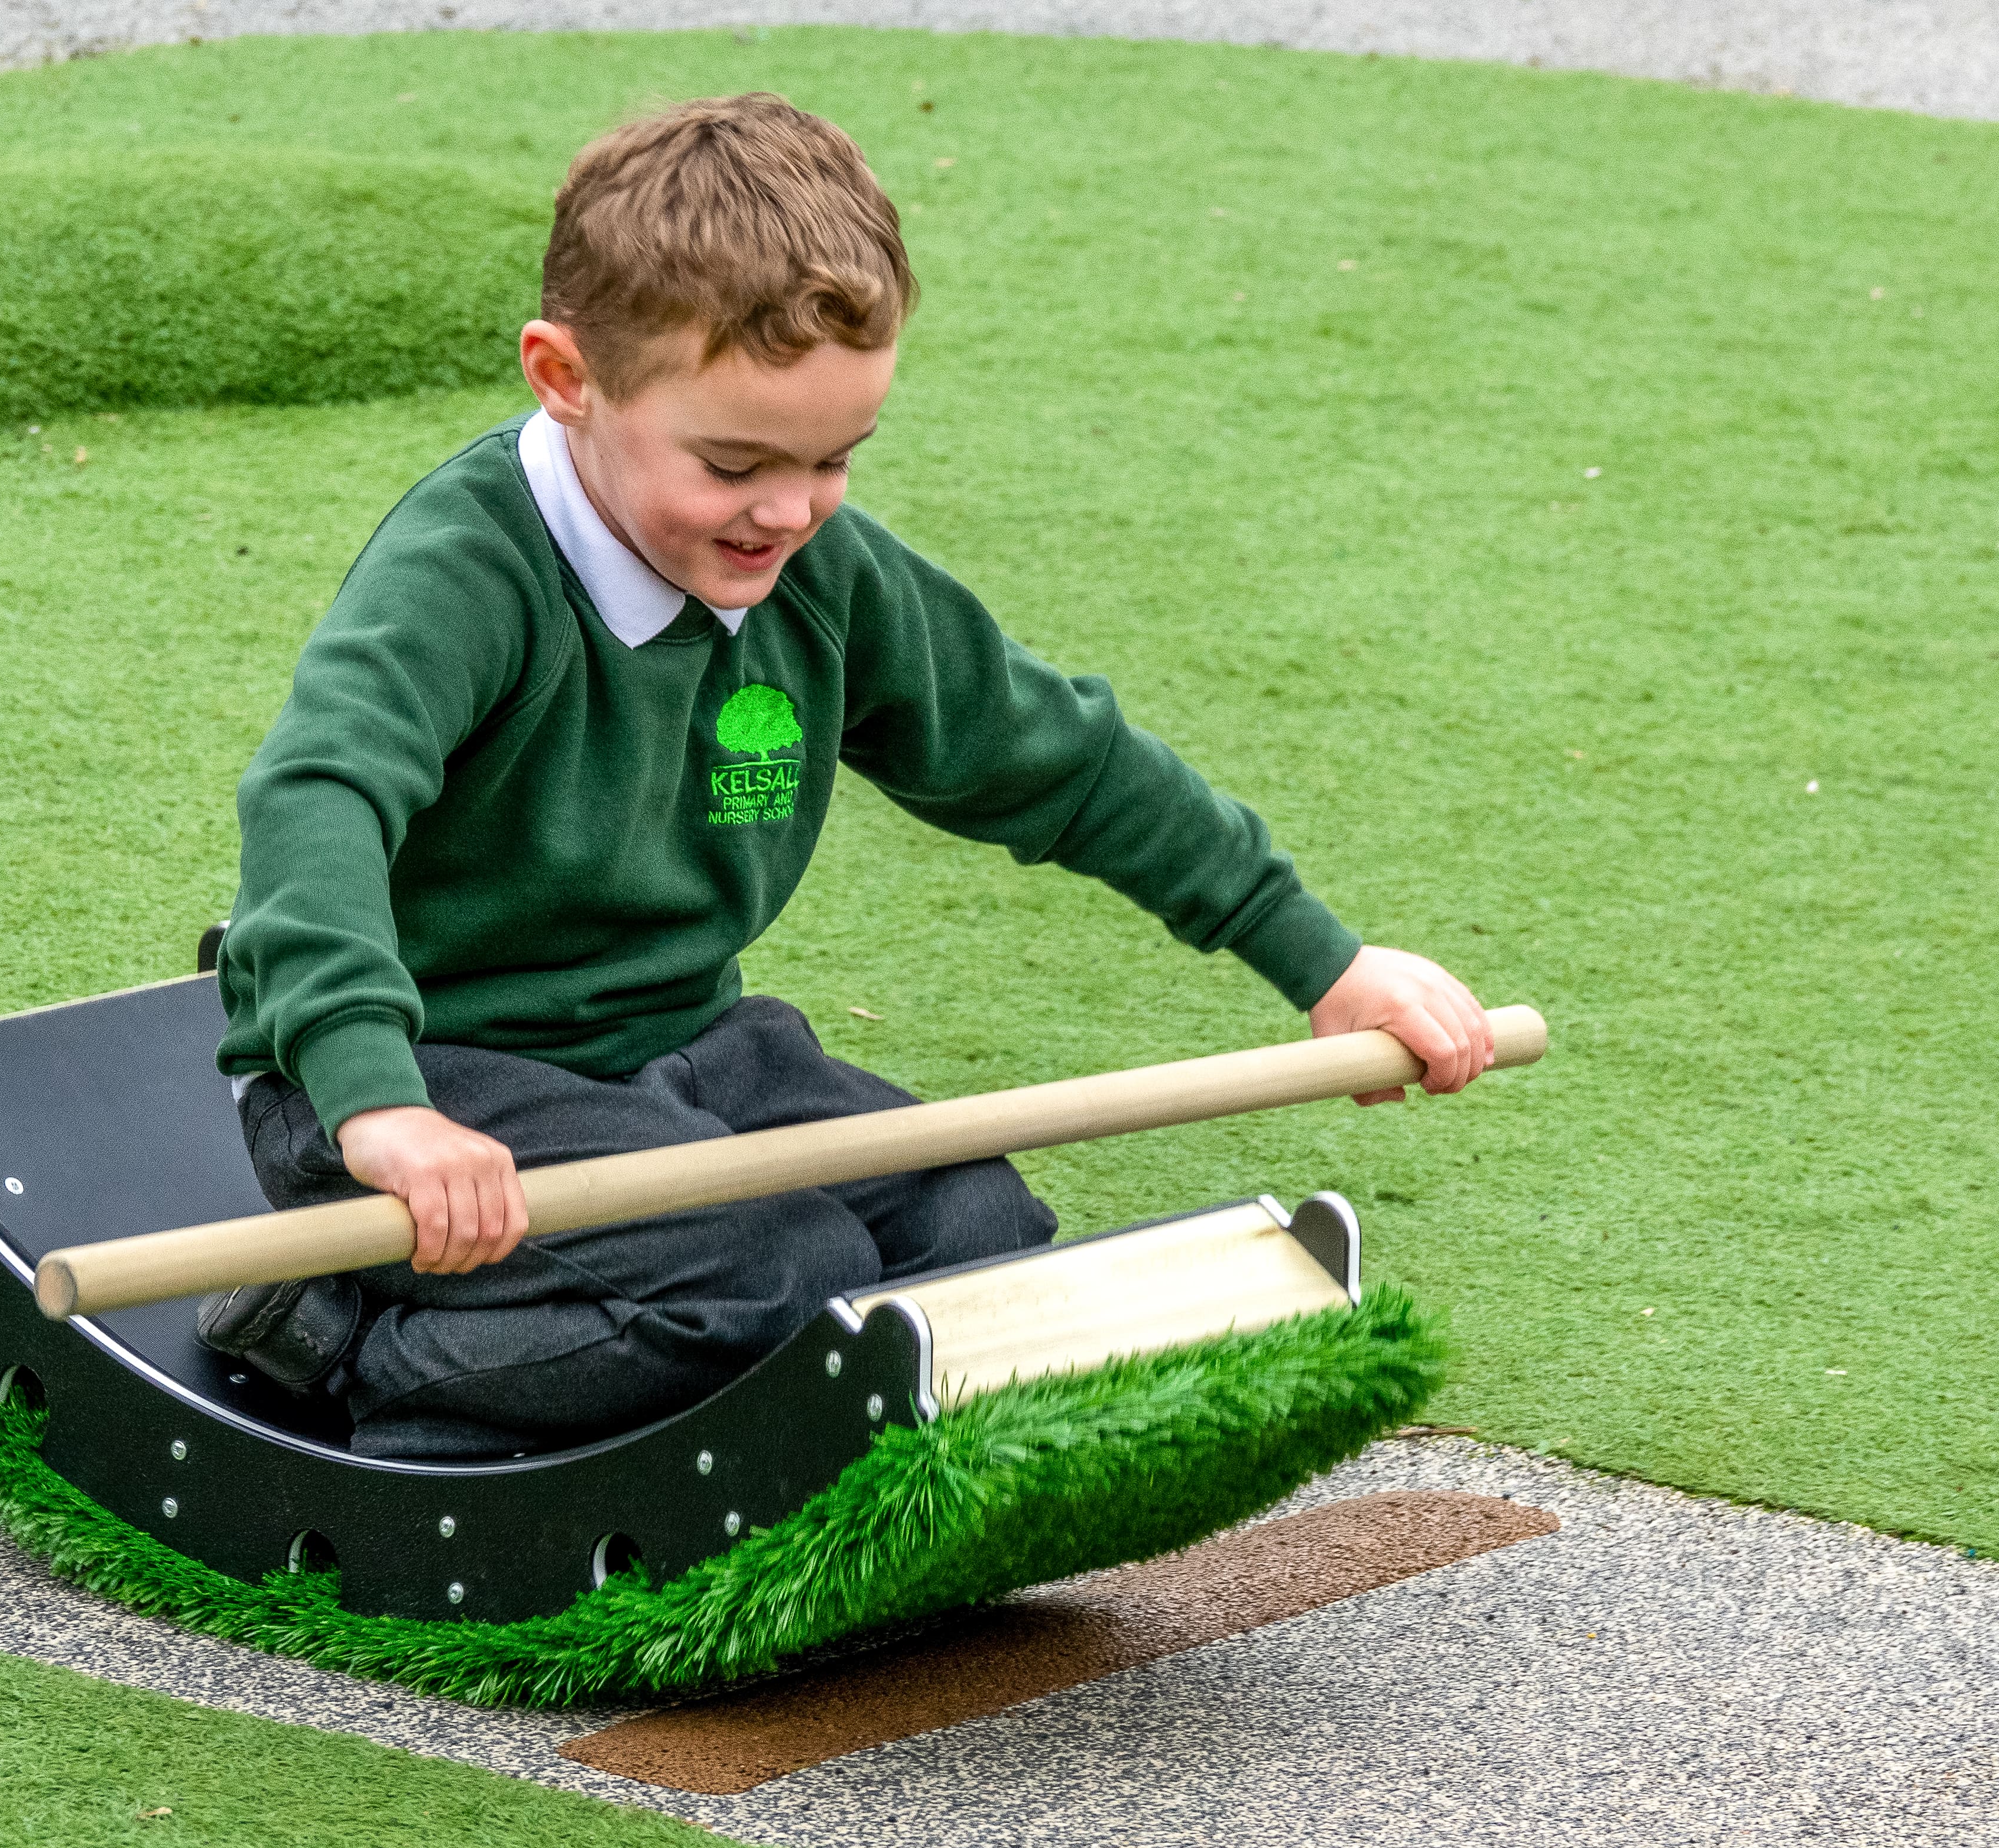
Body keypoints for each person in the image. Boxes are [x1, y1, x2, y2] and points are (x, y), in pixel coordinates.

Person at [205, 93, 1493, 1460]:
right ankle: (352, 1348)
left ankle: (747, 1412)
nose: (788, 511)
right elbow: (317, 795)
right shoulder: (465, 575)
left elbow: (1055, 757)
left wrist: (1320, 961)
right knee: (762, 1277)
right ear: (565, 377)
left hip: (674, 1047)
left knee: (973, 1228)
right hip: (426, 1070)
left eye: (831, 460)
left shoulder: (815, 572)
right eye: (734, 463)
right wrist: (377, 1100)